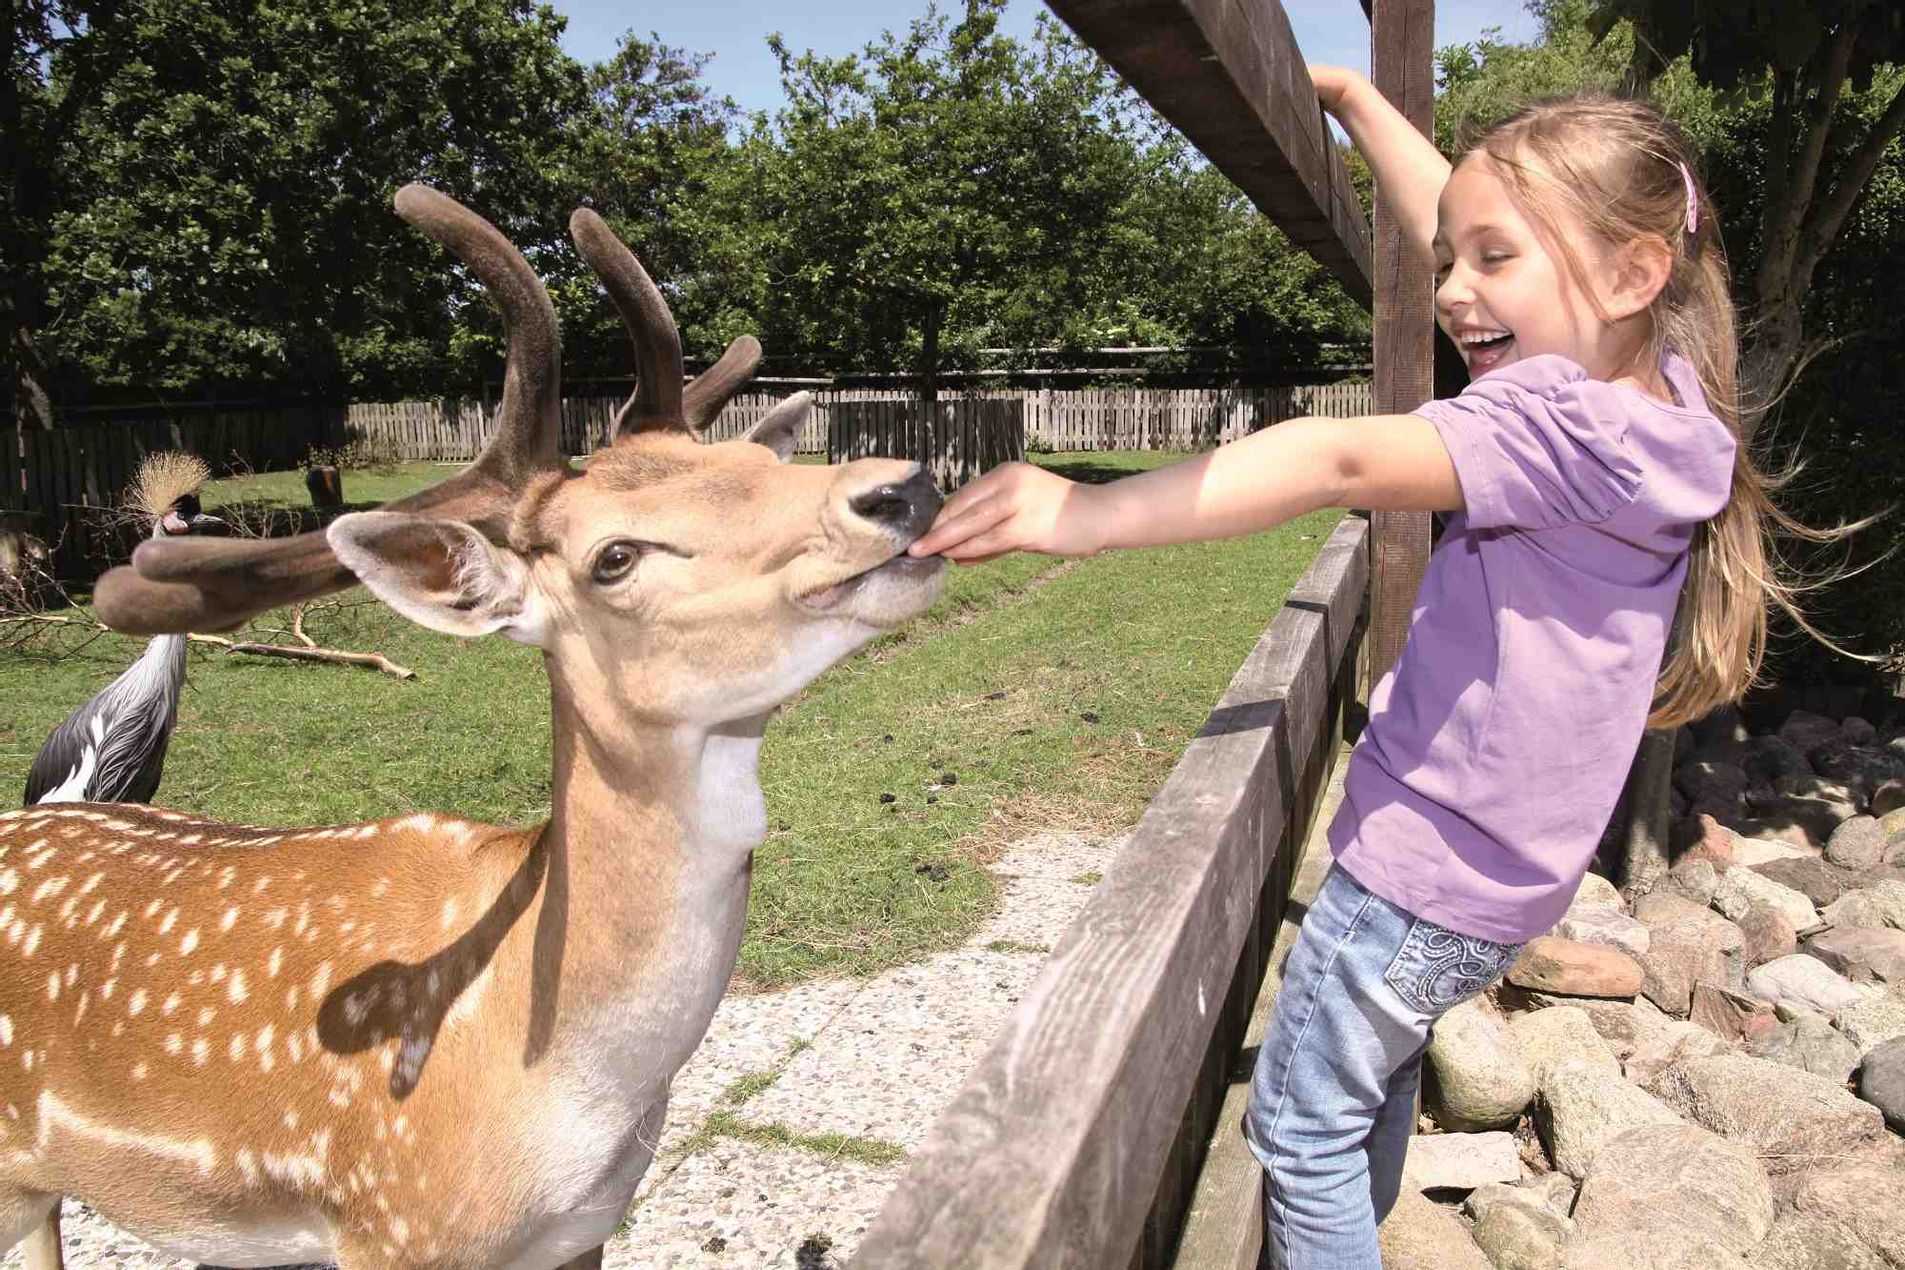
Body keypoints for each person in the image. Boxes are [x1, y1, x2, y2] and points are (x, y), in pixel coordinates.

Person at [906, 69, 1809, 1268]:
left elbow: (1333, 458)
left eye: (1489, 262)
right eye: (1453, 257)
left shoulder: (1551, 422)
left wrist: (1084, 510)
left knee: (1299, 1124)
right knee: (1365, 1085)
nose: (1453, 291)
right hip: (1508, 882)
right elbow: (1493, 228)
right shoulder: (1663, 403)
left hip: (1413, 885)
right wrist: (1352, 100)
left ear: (1633, 274)